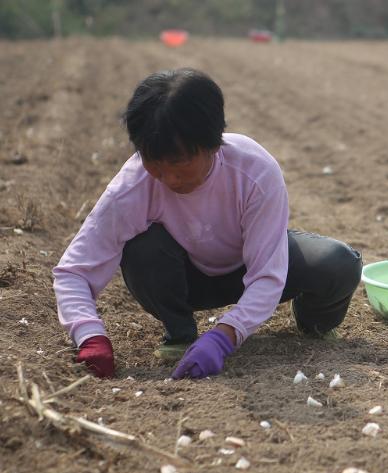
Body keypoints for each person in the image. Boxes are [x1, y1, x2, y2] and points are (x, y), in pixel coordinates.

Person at [53, 68, 362, 380]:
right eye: (154, 163)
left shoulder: (255, 171)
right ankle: (180, 333)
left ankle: (313, 324)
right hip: (185, 278)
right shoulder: (132, 186)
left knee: (337, 263)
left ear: (214, 144)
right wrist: (90, 337)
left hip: (246, 266)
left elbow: (268, 275)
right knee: (141, 245)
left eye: (178, 163)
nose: (168, 178)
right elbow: (74, 271)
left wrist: (224, 336)